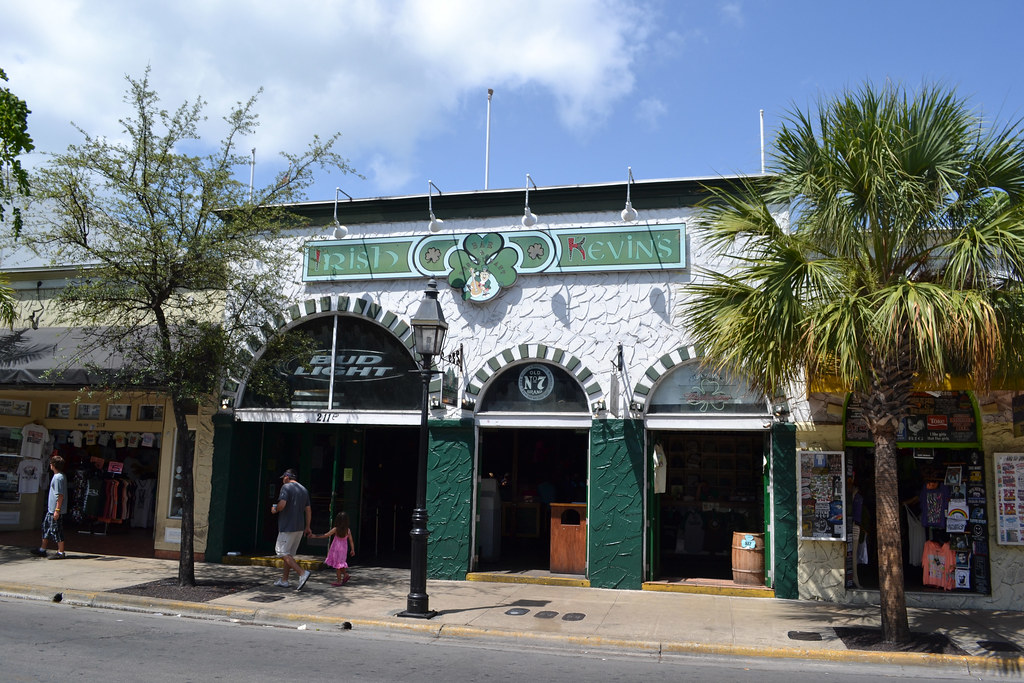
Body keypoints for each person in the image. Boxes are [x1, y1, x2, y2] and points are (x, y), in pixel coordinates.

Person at [270, 468, 312, 590]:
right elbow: (308, 510)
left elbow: (282, 505)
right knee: (289, 555)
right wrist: (308, 526)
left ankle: (302, 573)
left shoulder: (286, 487)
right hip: (299, 527)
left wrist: (275, 509)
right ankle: (284, 580)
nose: (283, 480)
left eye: (284, 477)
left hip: (287, 527)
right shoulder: (304, 489)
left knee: (281, 552)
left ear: (287, 477)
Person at [32, 455, 67, 559]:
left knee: (57, 530)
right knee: (46, 528)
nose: (50, 465)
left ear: (54, 465)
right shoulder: (58, 476)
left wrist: (57, 510)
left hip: (55, 510)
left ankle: (61, 552)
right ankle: (42, 549)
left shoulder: (58, 478)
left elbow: (60, 495)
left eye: (51, 463)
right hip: (51, 509)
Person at [313, 511, 355, 586]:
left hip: (336, 549)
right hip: (343, 549)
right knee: (340, 564)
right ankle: (345, 575)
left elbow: (326, 535)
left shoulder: (336, 529)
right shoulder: (348, 530)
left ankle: (339, 581)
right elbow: (351, 541)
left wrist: (315, 536)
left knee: (337, 566)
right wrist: (352, 550)